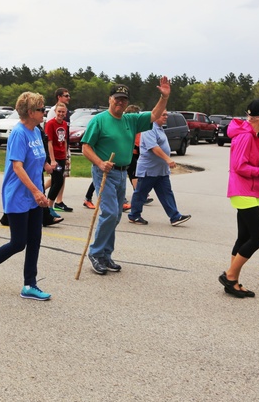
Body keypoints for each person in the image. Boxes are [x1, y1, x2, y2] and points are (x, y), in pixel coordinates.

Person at [81, 78, 170, 275]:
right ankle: (95, 253)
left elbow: (155, 114)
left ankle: (106, 254)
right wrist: (99, 163)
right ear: (110, 99)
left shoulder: (131, 120)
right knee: (110, 213)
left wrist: (164, 96)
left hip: (122, 173)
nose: (120, 102)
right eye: (117, 98)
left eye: (124, 99)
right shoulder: (99, 120)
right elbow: (86, 147)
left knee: (116, 215)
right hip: (105, 173)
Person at [0, 92, 54, 301]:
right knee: (18, 242)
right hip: (18, 194)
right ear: (30, 112)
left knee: (35, 240)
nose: (44, 112)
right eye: (41, 109)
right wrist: (36, 192)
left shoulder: (36, 131)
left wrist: (45, 177)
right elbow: (17, 167)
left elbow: (35, 163)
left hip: (34, 195)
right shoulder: (19, 133)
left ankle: (30, 285)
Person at [220, 100, 259, 298]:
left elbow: (246, 161)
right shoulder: (246, 136)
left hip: (248, 191)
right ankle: (230, 276)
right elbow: (239, 166)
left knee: (244, 237)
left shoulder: (255, 135)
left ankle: (233, 280)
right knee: (258, 236)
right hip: (243, 190)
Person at [127, 110, 191, 227]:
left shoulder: (159, 128)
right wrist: (167, 159)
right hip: (149, 170)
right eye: (163, 115)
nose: (166, 117)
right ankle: (134, 215)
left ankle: (175, 216)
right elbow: (153, 147)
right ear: (155, 116)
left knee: (166, 193)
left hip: (160, 171)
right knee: (140, 193)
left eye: (167, 115)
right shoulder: (149, 128)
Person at [45, 102, 72, 212]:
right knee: (58, 181)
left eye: (63, 112)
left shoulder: (65, 124)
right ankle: (49, 206)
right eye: (59, 111)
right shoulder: (50, 124)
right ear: (55, 112)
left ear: (65, 113)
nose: (61, 114)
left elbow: (65, 140)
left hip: (62, 157)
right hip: (54, 157)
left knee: (57, 180)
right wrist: (52, 160)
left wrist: (66, 157)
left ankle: (48, 205)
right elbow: (50, 142)